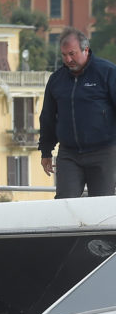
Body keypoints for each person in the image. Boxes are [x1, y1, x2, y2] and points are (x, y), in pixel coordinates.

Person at [38, 27, 116, 199]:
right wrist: (45, 151)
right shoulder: (56, 80)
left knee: (101, 206)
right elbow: (48, 117)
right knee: (64, 203)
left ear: (86, 50)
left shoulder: (108, 72)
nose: (68, 59)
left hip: (104, 153)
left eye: (72, 54)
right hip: (69, 154)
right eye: (64, 55)